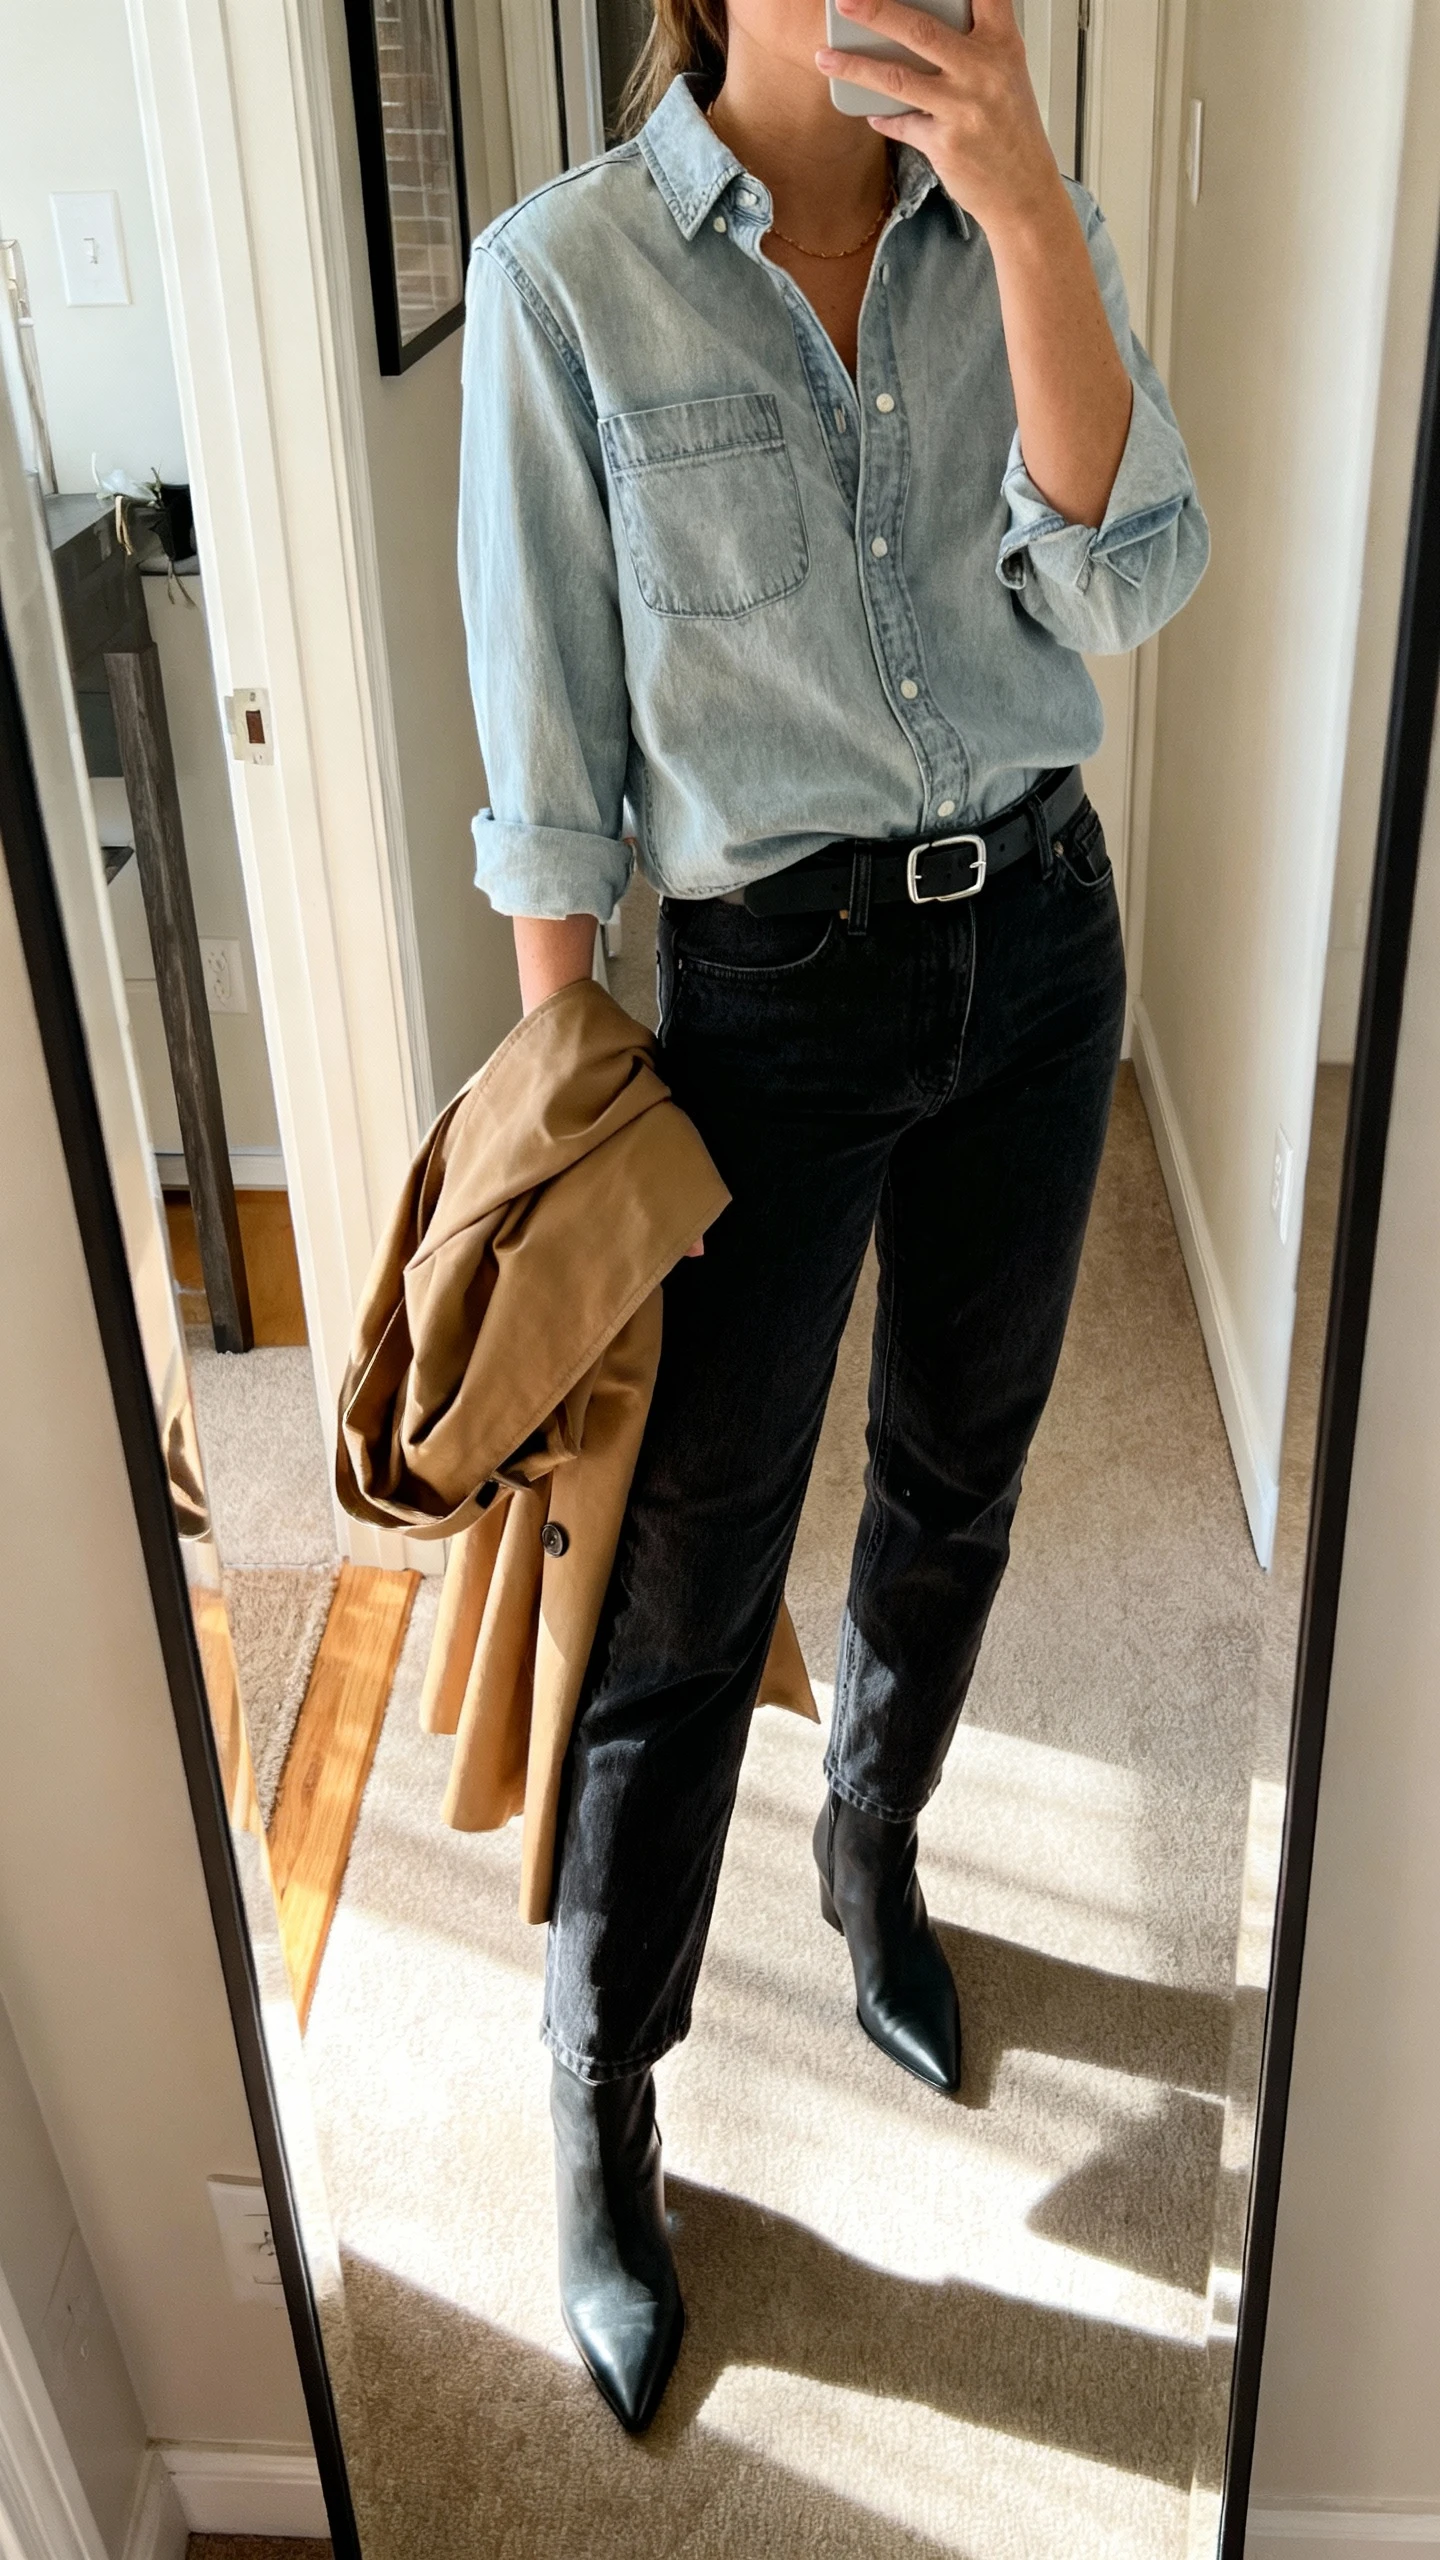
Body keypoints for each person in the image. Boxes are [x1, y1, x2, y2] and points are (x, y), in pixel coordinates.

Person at [458, 0, 1207, 2434]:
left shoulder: (1012, 213)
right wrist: (565, 1106)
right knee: (686, 1575)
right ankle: (606, 2090)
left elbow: (1128, 575)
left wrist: (1022, 207)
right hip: (763, 1001)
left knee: (962, 1473)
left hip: (1040, 944)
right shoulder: (570, 274)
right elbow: (554, 768)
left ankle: (873, 1839)